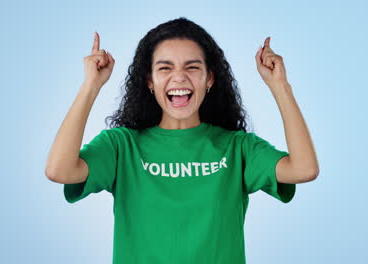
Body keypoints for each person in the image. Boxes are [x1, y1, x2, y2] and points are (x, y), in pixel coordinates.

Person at [45, 17, 319, 264]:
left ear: (209, 78)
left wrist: (280, 86)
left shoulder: (237, 147)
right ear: (149, 81)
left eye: (192, 67)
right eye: (165, 68)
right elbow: (59, 170)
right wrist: (90, 86)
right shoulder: (121, 146)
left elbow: (304, 169)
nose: (179, 77)